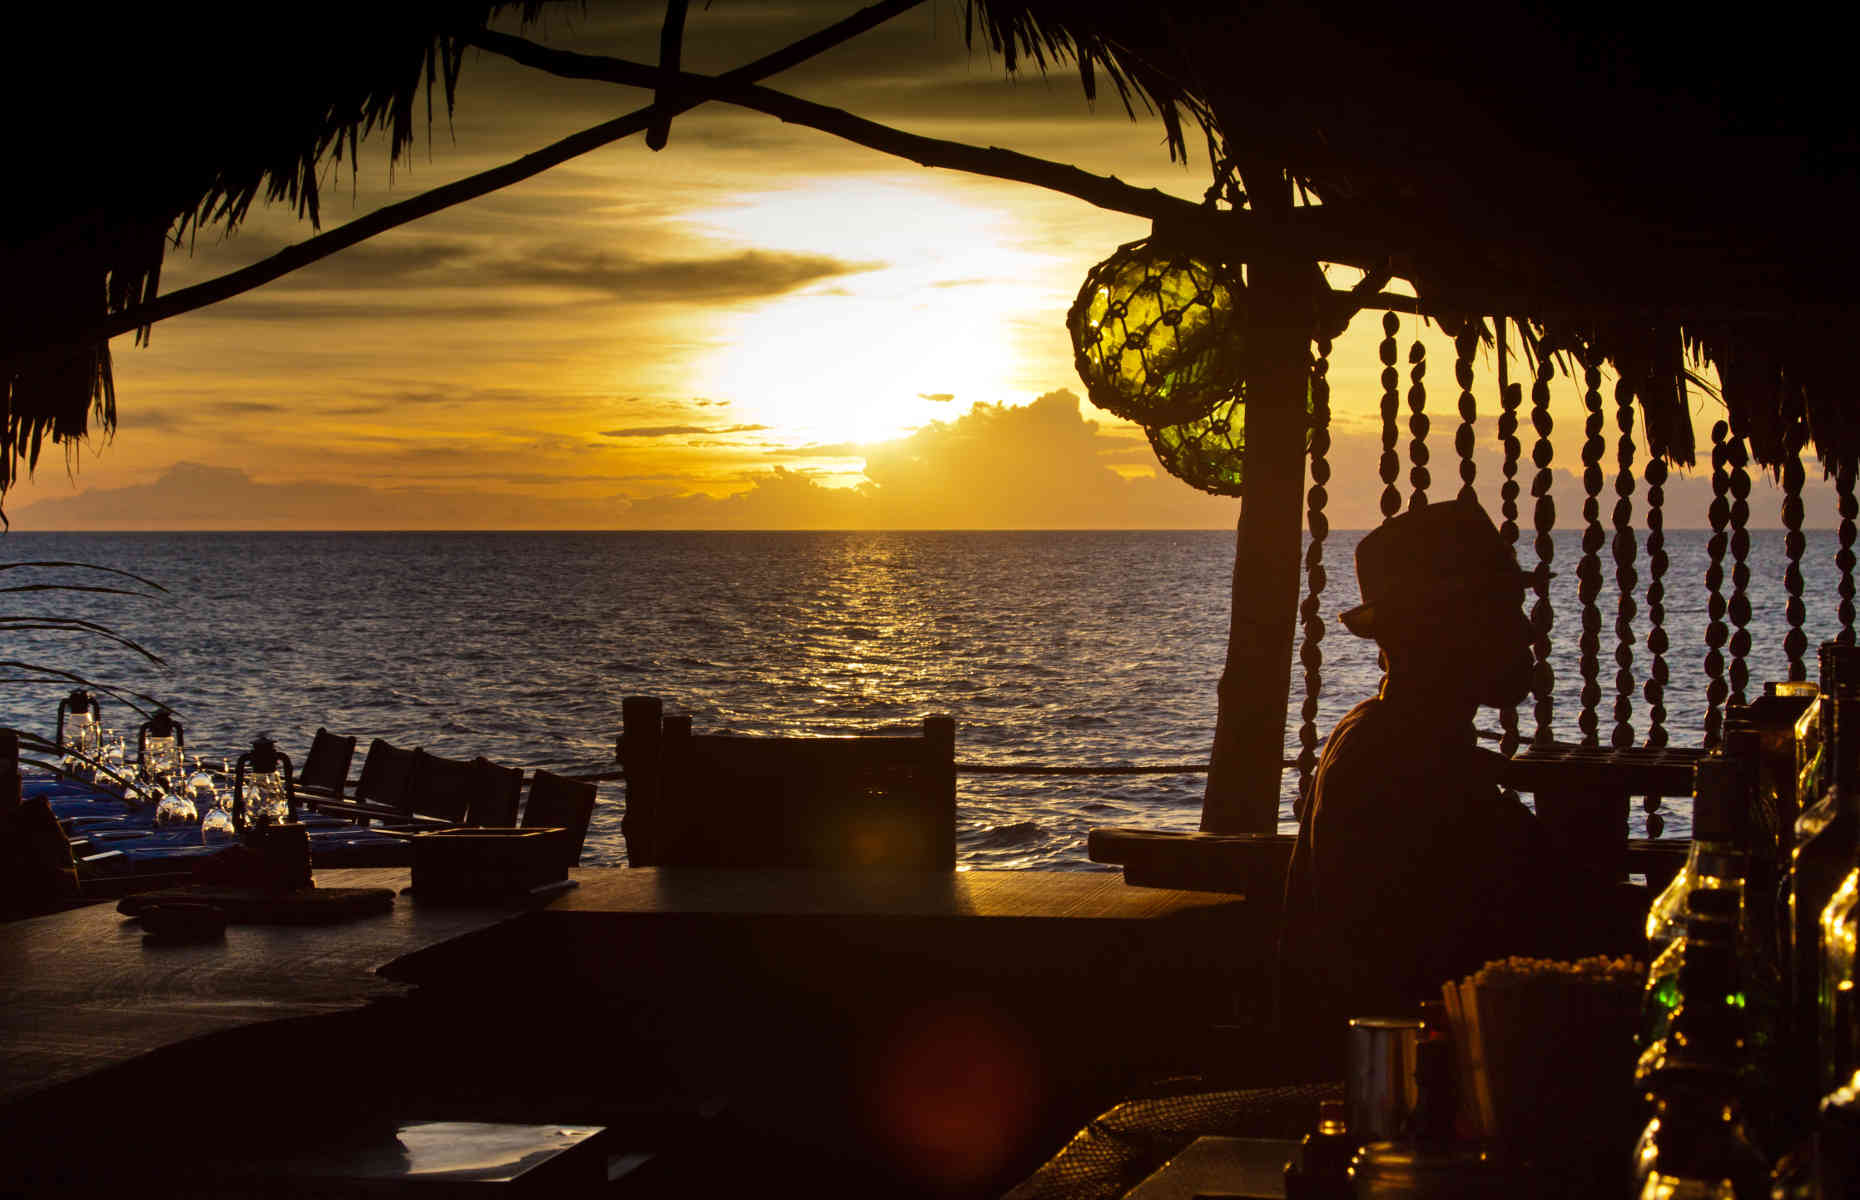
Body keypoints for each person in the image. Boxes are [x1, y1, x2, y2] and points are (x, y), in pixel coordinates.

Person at [1278, 497, 1629, 1034]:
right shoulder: (1403, 765)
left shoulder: (1390, 741)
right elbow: (1547, 930)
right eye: (1502, 610)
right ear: (1443, 631)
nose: (1527, 632)